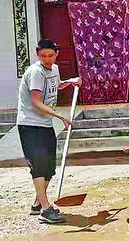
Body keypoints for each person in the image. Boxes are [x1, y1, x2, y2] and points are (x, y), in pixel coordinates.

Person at [17, 39, 81, 224]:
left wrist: (70, 82)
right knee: (38, 167)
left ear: (56, 54)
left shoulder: (54, 69)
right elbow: (36, 102)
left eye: (50, 55)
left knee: (48, 167)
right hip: (30, 125)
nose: (47, 59)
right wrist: (60, 116)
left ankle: (38, 203)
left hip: (45, 124)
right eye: (43, 56)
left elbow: (55, 85)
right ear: (37, 55)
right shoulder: (35, 72)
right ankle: (45, 209)